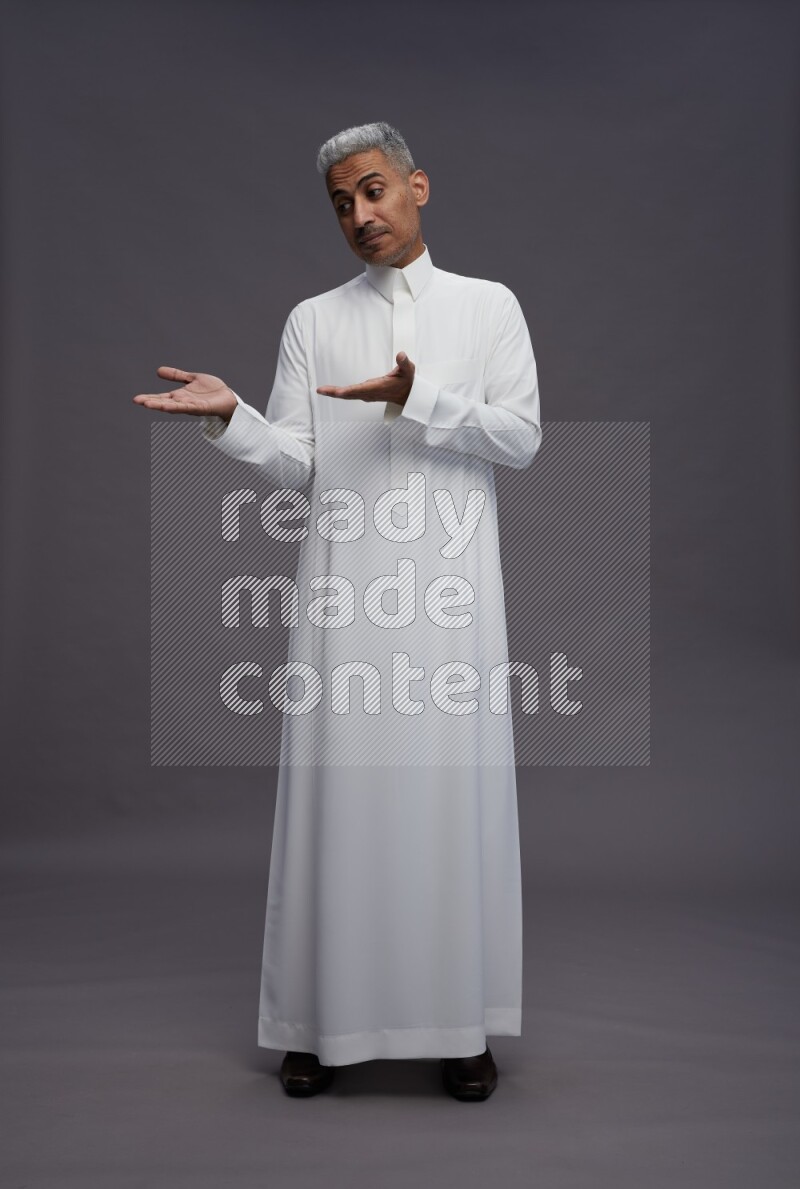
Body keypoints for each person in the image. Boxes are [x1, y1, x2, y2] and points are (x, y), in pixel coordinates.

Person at [133, 121, 542, 1101]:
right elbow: (303, 462)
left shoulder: (487, 309)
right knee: (337, 803)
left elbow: (520, 439)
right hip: (343, 596)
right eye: (340, 203)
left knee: (449, 805)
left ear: (416, 187)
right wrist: (235, 419)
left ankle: (461, 1026)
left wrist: (422, 397)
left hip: (446, 606)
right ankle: (315, 1022)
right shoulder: (313, 318)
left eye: (372, 191)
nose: (359, 215)